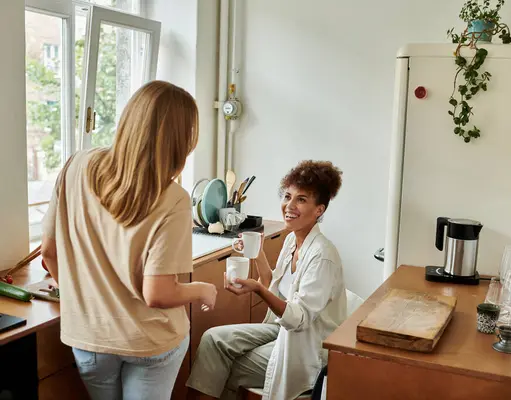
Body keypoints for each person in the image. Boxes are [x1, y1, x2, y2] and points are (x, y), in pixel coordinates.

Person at [40, 80, 218, 400]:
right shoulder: (173, 197)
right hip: (149, 341)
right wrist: (204, 289)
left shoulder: (75, 166)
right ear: (182, 142)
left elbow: (49, 252)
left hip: (89, 337)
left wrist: (81, 297)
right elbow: (158, 293)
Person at [186, 160, 347, 400]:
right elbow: (273, 282)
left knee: (228, 364)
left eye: (301, 199)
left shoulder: (323, 256)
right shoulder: (293, 240)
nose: (289, 206)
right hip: (279, 329)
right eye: (287, 196)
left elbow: (299, 319)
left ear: (319, 210)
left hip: (306, 346)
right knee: (212, 340)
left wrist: (259, 290)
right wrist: (257, 253)